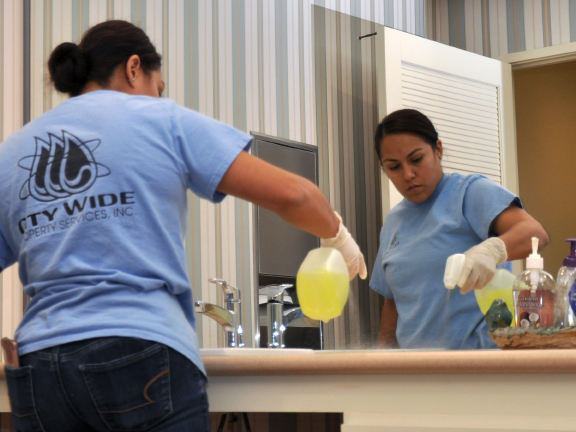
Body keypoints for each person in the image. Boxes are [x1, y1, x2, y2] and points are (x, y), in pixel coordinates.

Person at [0, 20, 367, 432]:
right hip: (138, 352)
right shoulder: (161, 120)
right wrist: (341, 239)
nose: (160, 98)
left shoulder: (13, 150)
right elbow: (295, 196)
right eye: (160, 88)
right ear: (134, 68)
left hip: (38, 367)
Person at [370, 109, 548, 350]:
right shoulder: (393, 222)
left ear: (438, 150)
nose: (408, 174)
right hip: (416, 373)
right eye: (394, 167)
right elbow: (392, 304)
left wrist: (491, 250)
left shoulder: (470, 193)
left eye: (416, 159)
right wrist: (383, 362)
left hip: (479, 367)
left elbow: (535, 233)